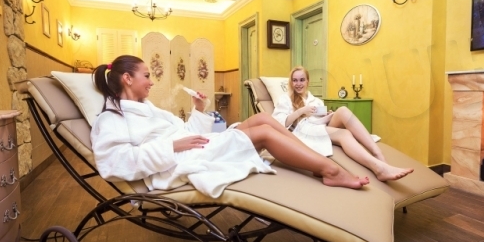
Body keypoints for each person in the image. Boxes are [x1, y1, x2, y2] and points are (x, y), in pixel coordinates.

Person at [90, 55, 368, 199]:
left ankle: (312, 158)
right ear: (127, 79)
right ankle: (331, 171)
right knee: (263, 133)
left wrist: (198, 109)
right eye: (146, 75)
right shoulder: (111, 119)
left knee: (264, 119)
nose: (151, 81)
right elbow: (114, 163)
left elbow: (185, 133)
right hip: (177, 162)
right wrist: (171, 147)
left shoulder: (148, 109)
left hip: (191, 148)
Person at [273, 66, 413, 182]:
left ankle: (378, 154)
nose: (298, 83)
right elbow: (279, 123)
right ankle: (378, 168)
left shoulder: (316, 100)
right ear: (291, 82)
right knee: (345, 134)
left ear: (308, 81)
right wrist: (301, 111)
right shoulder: (285, 99)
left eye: (302, 80)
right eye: (295, 80)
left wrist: (328, 115)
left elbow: (320, 119)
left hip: (320, 126)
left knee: (343, 111)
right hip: (302, 131)